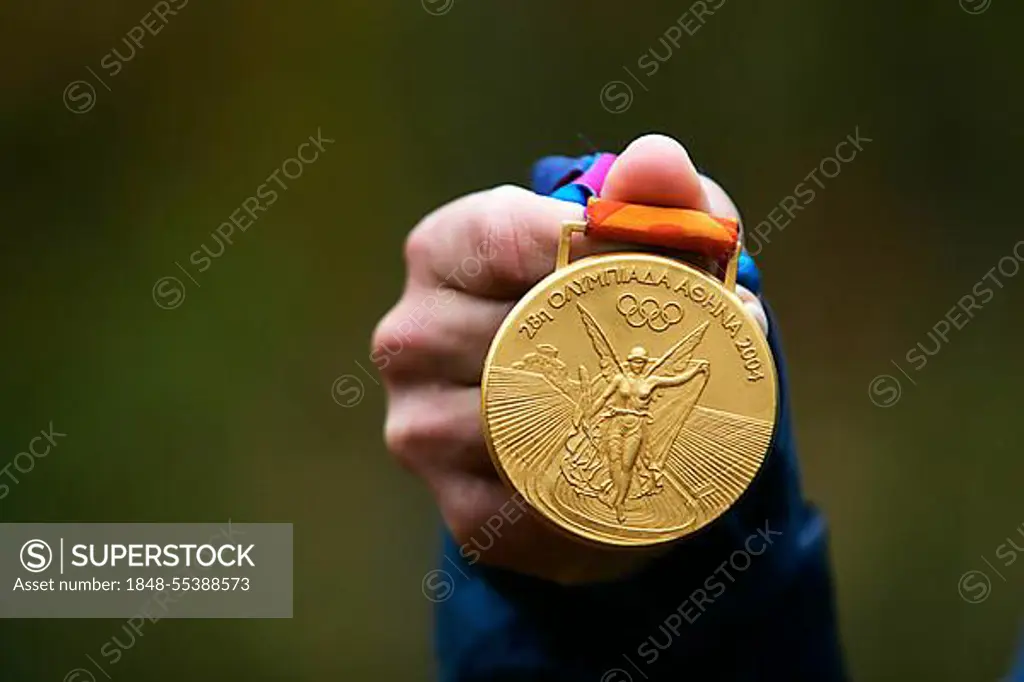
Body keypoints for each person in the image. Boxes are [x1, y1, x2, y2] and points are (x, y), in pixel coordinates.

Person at [373, 134, 844, 680]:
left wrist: (714, 550)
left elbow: (677, 378)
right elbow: (604, 348)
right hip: (611, 441)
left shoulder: (647, 381)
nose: (639, 363)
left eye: (644, 360)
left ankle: (622, 511)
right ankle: (615, 513)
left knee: (625, 473)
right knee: (612, 471)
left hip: (643, 449)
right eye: (637, 357)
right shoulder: (619, 374)